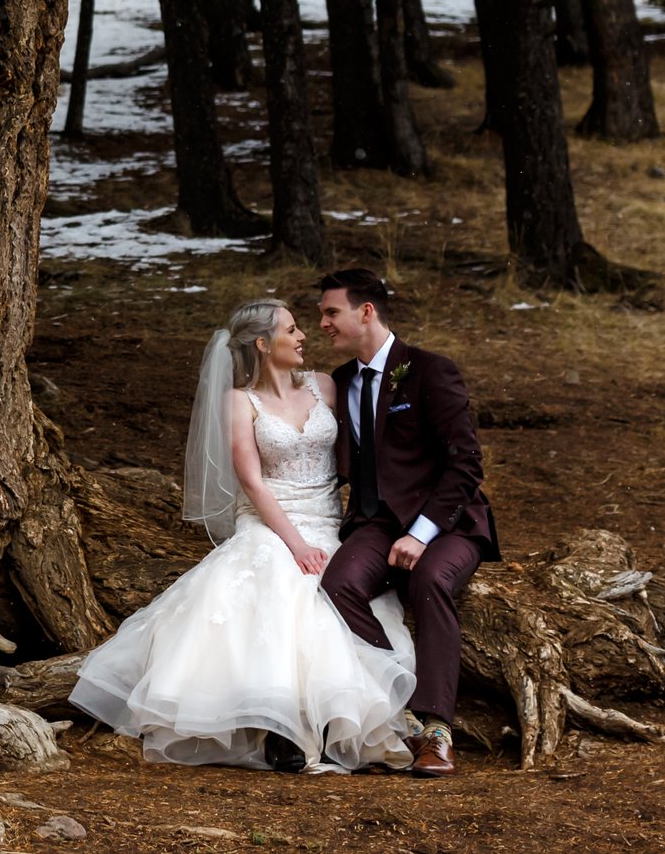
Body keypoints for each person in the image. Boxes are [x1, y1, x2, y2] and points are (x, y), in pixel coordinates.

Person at [69, 299, 419, 772]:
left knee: (337, 595)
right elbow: (252, 481)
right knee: (274, 579)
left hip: (328, 518)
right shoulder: (239, 400)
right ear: (262, 344)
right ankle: (277, 726)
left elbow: (363, 451)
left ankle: (332, 720)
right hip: (270, 518)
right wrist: (295, 543)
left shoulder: (325, 386)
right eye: (291, 330)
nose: (302, 336)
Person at [314, 267, 499, 779]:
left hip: (448, 523)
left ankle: (436, 730)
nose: (324, 324)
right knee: (338, 584)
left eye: (332, 312)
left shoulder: (429, 371)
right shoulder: (343, 382)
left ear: (365, 311)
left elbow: (465, 463)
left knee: (430, 579)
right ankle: (394, 707)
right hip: (373, 523)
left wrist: (421, 533)